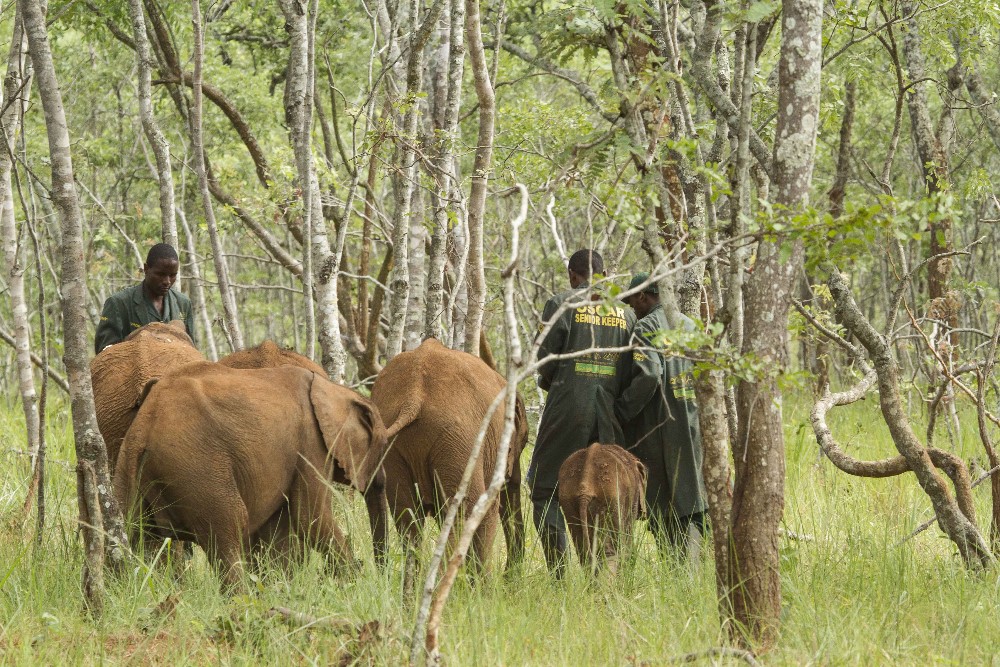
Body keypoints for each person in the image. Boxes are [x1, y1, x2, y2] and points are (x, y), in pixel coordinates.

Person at [528, 249, 634, 576]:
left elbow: (543, 361)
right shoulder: (627, 313)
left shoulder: (563, 303)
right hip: (611, 414)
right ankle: (606, 572)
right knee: (611, 491)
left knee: (544, 487)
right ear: (605, 272)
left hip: (568, 406)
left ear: (574, 275)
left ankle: (559, 575)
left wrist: (557, 382)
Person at [616, 272, 708, 552]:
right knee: (694, 494)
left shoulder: (646, 327)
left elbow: (649, 376)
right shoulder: (690, 325)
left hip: (660, 426)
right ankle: (695, 562)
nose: (632, 308)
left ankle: (678, 567)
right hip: (692, 421)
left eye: (633, 301)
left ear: (644, 296)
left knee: (663, 500)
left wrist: (621, 410)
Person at [94, 243, 196, 354]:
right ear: (146, 269)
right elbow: (104, 354)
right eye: (160, 274)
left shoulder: (183, 303)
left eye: (172, 275)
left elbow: (190, 349)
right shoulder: (119, 303)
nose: (167, 281)